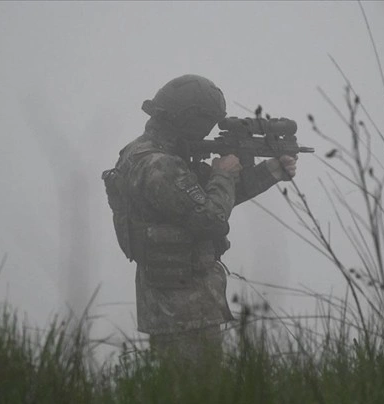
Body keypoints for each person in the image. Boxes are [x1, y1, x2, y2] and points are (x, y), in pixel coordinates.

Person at [102, 74, 297, 364]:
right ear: (190, 120)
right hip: (183, 309)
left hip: (172, 302)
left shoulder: (143, 153)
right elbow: (211, 218)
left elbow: (200, 201)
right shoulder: (161, 166)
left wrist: (269, 172)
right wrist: (222, 173)